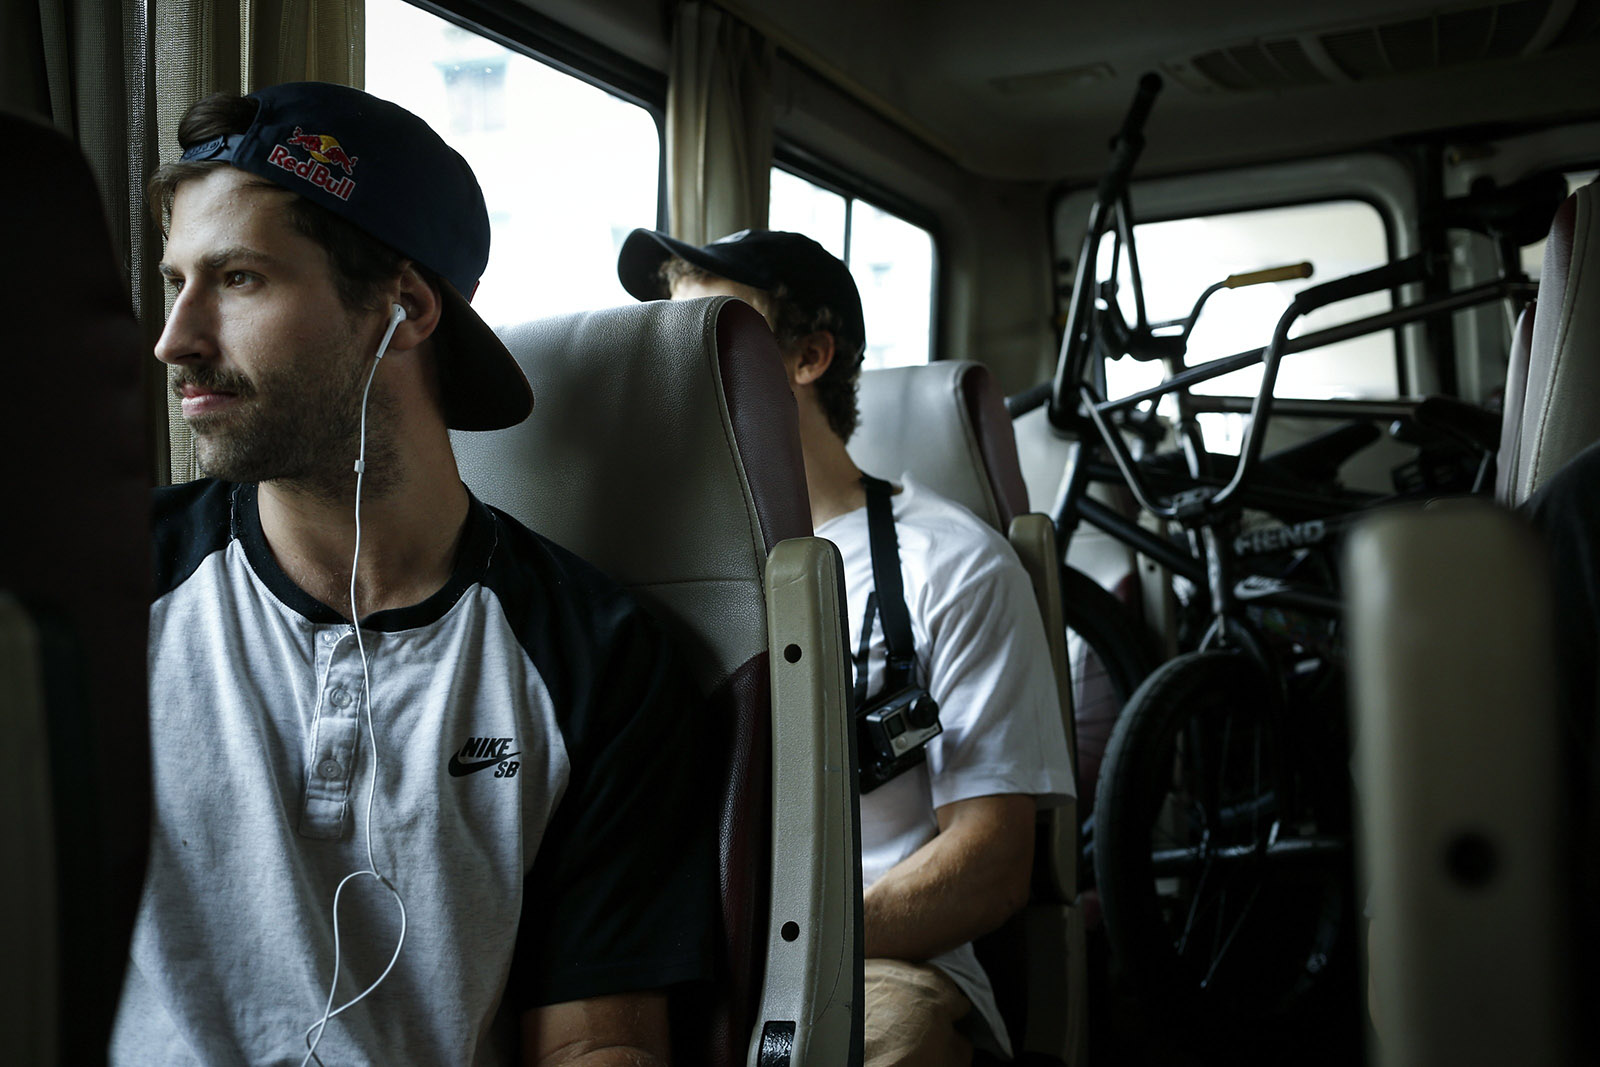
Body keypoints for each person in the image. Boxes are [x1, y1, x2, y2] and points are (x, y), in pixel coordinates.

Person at [115, 82, 714, 1066]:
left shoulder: (598, 660)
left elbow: (597, 1041)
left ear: (404, 307)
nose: (174, 339)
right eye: (178, 279)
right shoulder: (103, 582)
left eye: (238, 279)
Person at [618, 228, 1075, 1065]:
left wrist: (785, 948)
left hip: (885, 962)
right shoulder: (641, 574)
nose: (680, 362)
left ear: (809, 356)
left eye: (717, 332)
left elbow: (994, 857)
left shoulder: (953, 562)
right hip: (672, 971)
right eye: (673, 336)